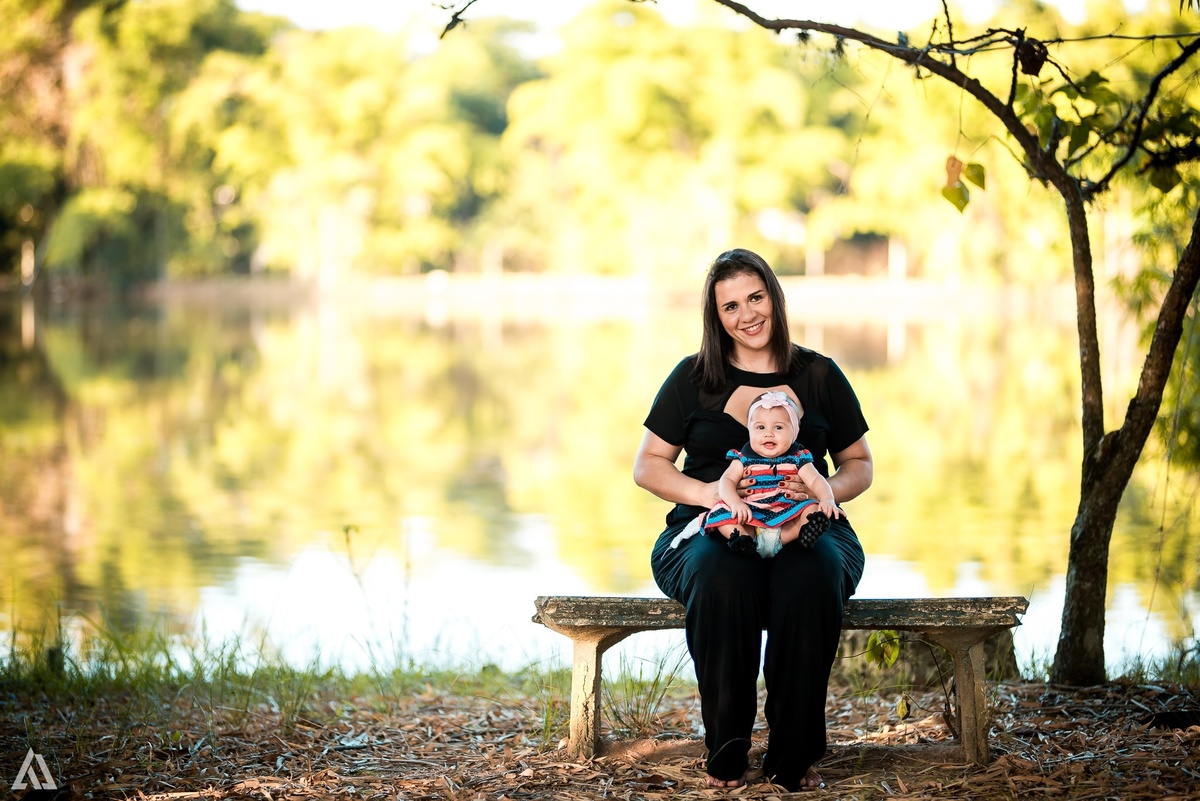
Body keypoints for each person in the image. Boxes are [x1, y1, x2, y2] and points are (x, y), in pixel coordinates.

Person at [633, 248, 871, 791]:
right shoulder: (693, 378)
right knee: (723, 576)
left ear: (774, 297)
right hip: (710, 532)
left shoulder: (820, 375)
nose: (747, 315)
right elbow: (647, 465)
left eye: (755, 298)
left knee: (811, 576)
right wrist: (712, 497)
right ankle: (728, 751)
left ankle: (794, 756)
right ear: (716, 317)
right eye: (730, 306)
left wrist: (823, 494)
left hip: (807, 524)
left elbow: (860, 465)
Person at [702, 390, 842, 558]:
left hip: (786, 519)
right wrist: (735, 503)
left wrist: (827, 498)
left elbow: (816, 480)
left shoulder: (798, 458)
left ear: (794, 432)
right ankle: (741, 539)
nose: (768, 433)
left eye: (778, 427)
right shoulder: (743, 458)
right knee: (721, 511)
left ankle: (805, 532)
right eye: (760, 427)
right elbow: (726, 481)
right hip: (750, 517)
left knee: (811, 507)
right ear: (750, 431)